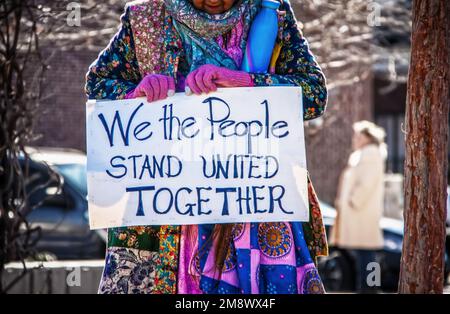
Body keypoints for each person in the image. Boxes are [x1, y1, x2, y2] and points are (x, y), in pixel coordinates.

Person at [85, 0, 328, 294]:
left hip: (253, 204)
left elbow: (313, 94)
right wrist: (137, 91)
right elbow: (98, 85)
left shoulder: (270, 11)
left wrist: (248, 82)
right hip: (164, 205)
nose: (214, 1)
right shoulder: (146, 17)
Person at [329, 120, 387, 293]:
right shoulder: (363, 154)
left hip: (362, 212)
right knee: (365, 254)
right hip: (359, 213)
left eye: (358, 135)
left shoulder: (370, 154)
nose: (355, 139)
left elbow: (367, 182)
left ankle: (371, 288)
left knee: (368, 253)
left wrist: (354, 201)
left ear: (368, 137)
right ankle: (369, 287)